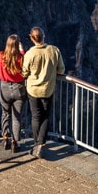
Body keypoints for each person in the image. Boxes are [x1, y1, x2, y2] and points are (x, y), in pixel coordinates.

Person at [22, 26, 65, 159]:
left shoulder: (30, 54)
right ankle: (41, 144)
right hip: (47, 89)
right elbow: (61, 70)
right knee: (45, 117)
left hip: (33, 89)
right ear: (44, 36)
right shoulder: (54, 50)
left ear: (31, 38)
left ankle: (37, 144)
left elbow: (24, 72)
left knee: (36, 117)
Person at [0, 34, 27, 153]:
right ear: (18, 45)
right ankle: (15, 143)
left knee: (5, 114)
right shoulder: (22, 57)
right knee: (17, 117)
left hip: (5, 88)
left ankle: (5, 138)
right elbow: (26, 70)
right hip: (19, 88)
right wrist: (22, 51)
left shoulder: (0, 56)